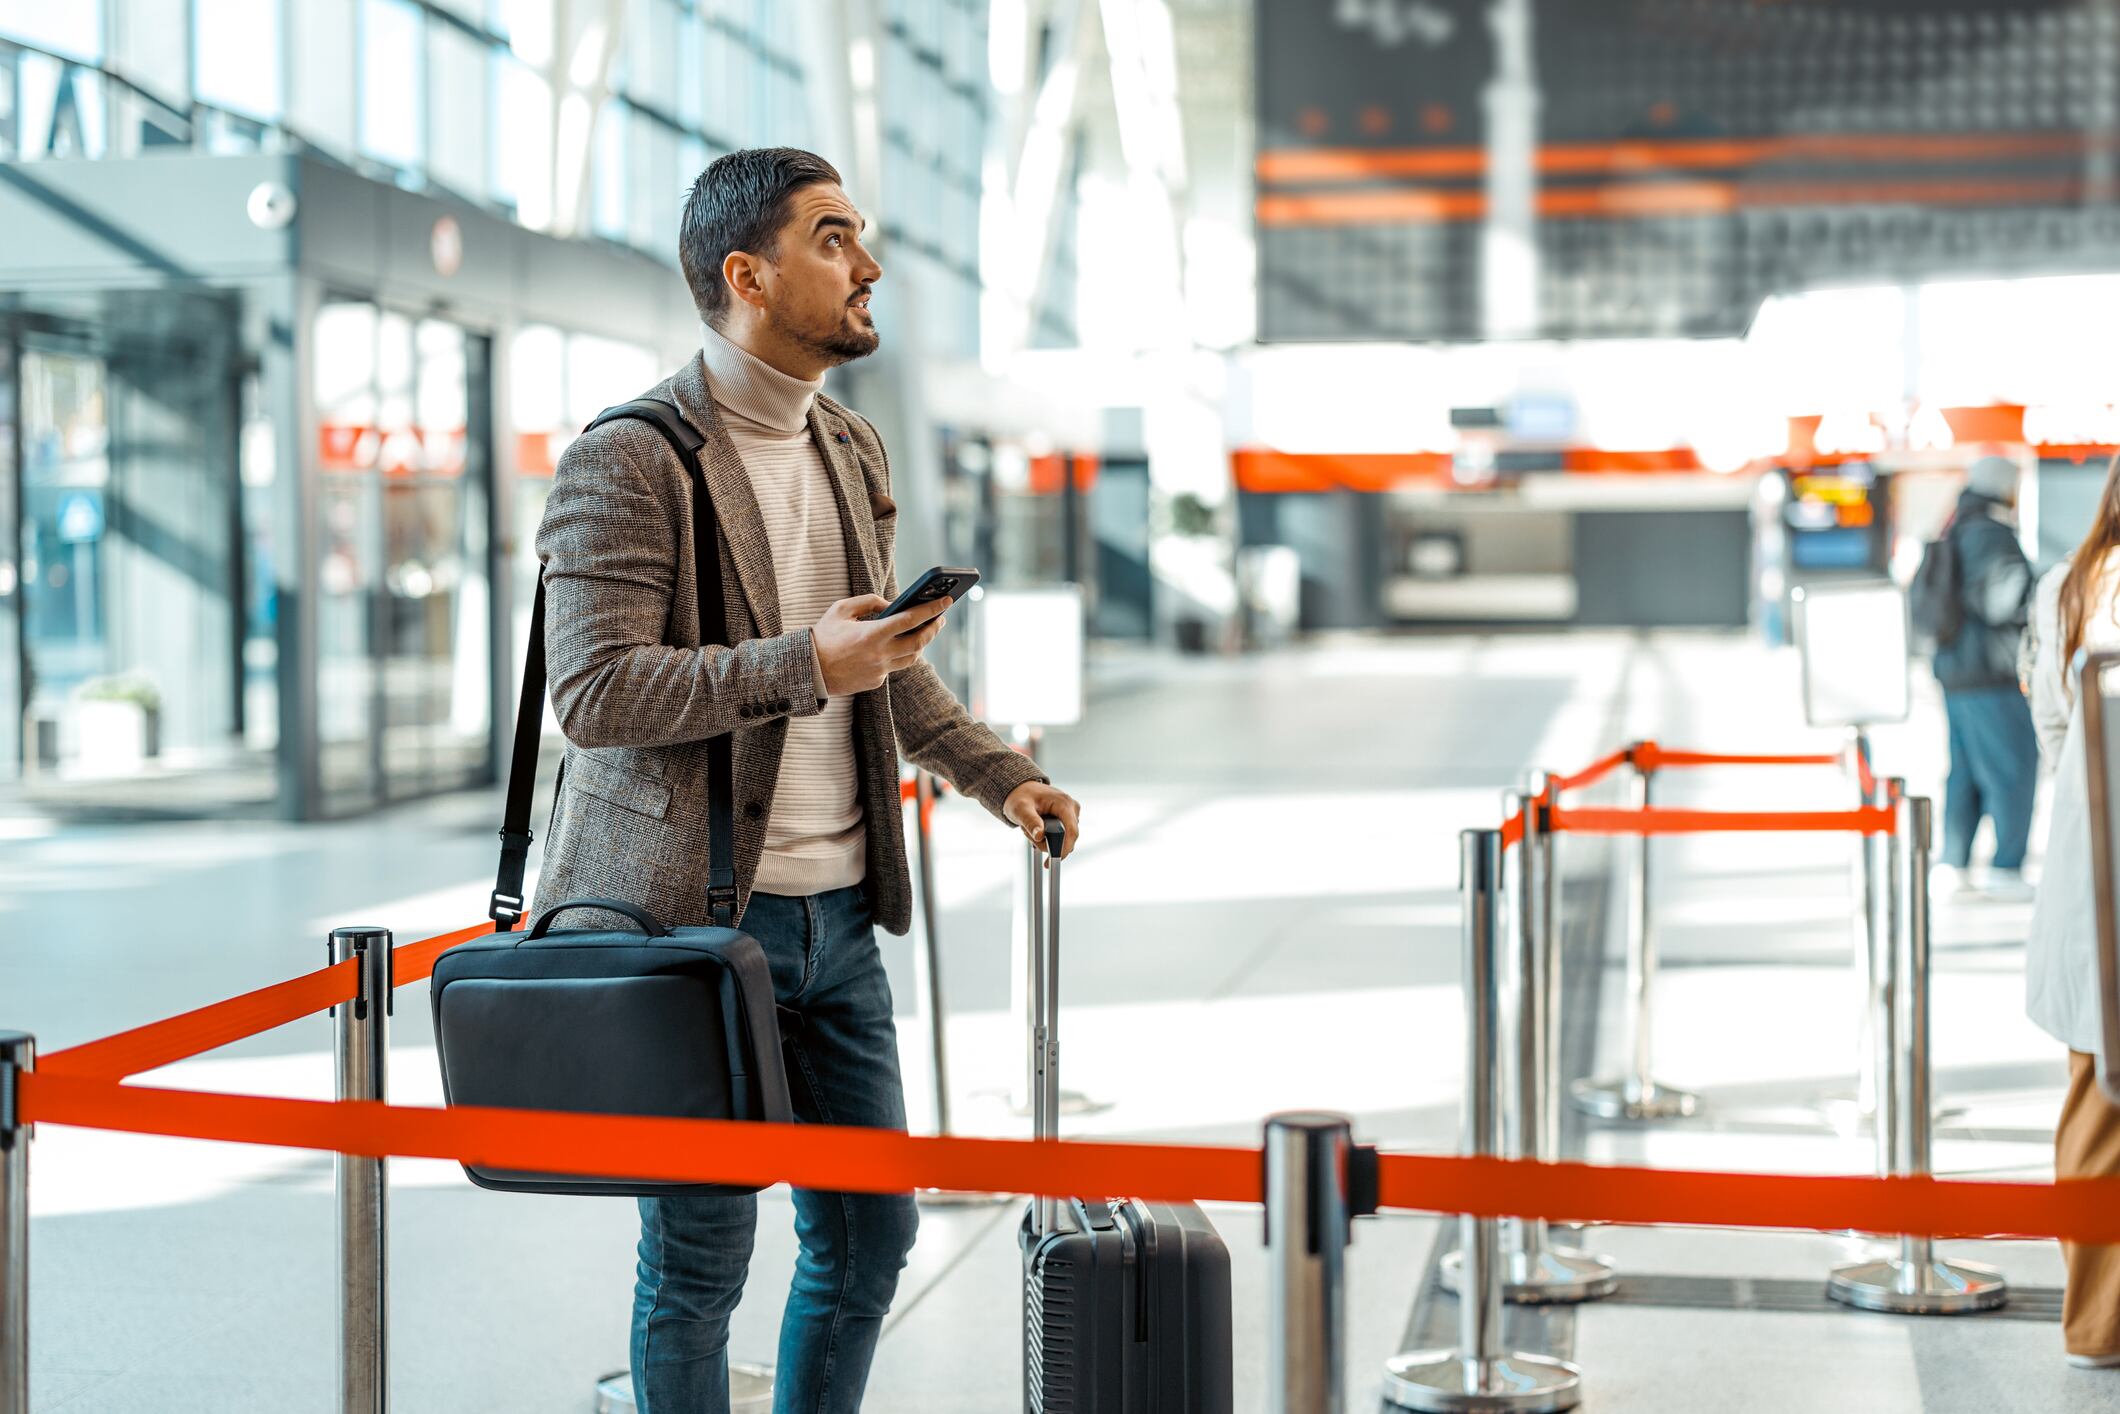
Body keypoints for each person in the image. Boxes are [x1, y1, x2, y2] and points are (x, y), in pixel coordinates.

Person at [530, 147, 1084, 1413]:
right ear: (746, 273)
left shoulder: (846, 442)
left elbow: (874, 668)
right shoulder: (628, 459)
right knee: (699, 1257)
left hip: (839, 923)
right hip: (690, 929)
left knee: (868, 1234)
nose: (868, 264)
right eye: (833, 238)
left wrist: (996, 774)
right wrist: (802, 662)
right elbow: (597, 693)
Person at [2029, 450, 2120, 1368]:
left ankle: (2098, 1325)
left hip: (2095, 865)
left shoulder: (2066, 587)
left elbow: (2053, 731)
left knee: (2097, 1100)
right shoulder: (2072, 586)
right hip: (2104, 879)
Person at [1932, 454, 2038, 901]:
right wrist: (2044, 586)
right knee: (2013, 768)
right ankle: (2006, 866)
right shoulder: (1991, 535)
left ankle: (1954, 862)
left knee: (1967, 772)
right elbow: (2003, 600)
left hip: (1956, 673)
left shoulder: (1955, 528)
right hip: (1991, 676)